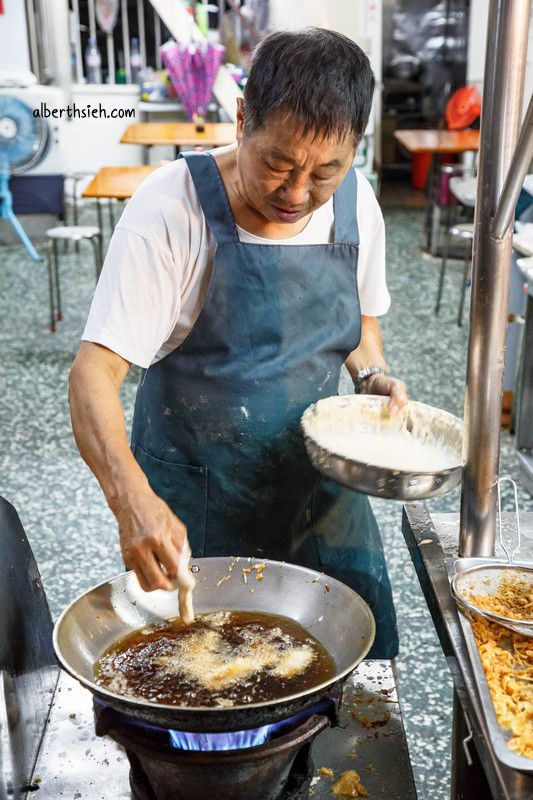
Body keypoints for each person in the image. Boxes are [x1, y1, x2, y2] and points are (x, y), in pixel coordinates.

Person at [69, 28, 407, 658]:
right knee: (201, 675)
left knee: (351, 685)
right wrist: (131, 502)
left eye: (325, 171)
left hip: (318, 498)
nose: (298, 193)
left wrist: (371, 378)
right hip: (201, 503)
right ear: (242, 117)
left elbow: (360, 321)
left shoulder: (359, 203)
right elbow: (93, 374)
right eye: (278, 164)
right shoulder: (169, 210)